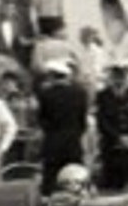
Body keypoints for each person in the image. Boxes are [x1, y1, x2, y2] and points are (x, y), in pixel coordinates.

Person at [34, 60, 90, 196]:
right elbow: (82, 121)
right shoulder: (80, 94)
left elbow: (42, 120)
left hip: (53, 144)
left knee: (50, 181)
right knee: (76, 179)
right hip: (73, 143)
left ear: (52, 76)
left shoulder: (46, 94)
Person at [95, 65, 128, 191]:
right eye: (115, 77)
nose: (118, 81)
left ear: (126, 79)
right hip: (111, 145)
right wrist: (118, 137)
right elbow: (102, 121)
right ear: (111, 79)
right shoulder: (103, 96)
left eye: (121, 77)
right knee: (113, 182)